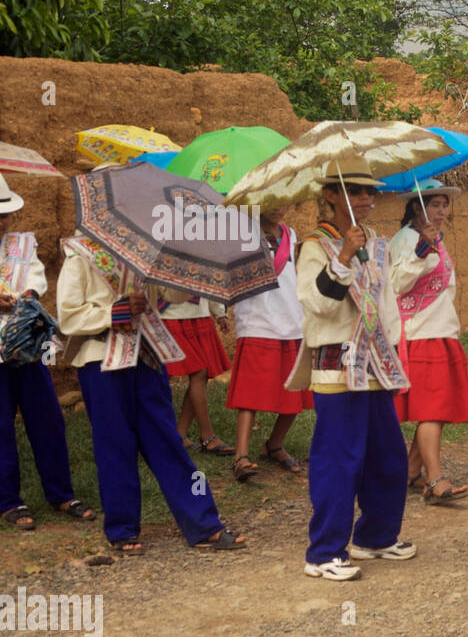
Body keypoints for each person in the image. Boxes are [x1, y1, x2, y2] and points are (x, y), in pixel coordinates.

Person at [56, 235, 245, 554]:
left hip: (145, 356)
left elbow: (172, 295)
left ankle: (205, 522)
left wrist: (185, 262)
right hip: (101, 360)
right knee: (115, 445)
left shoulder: (144, 252)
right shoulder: (81, 255)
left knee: (168, 441)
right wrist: (116, 312)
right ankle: (122, 528)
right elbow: (68, 315)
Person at [290, 156, 415, 581]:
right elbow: (317, 304)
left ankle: (375, 537)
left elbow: (386, 300)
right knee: (339, 459)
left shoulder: (377, 242)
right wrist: (342, 255)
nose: (365, 198)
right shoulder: (314, 246)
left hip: (375, 365)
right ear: (331, 194)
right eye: (357, 190)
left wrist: (393, 347)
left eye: (371, 191)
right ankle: (323, 552)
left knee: (387, 456)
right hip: (338, 367)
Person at [0, 176, 95, 531]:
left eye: (6, 214)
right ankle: (9, 501)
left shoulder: (22, 247)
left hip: (27, 347)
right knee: (0, 426)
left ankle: (61, 493)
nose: (2, 222)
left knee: (47, 419)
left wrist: (26, 294)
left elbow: (37, 279)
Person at [389, 179, 468, 505]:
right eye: (433, 204)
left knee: (435, 409)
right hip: (420, 335)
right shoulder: (407, 239)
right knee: (432, 411)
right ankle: (436, 480)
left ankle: (411, 471)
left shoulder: (435, 240)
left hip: (440, 331)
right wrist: (421, 250)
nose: (440, 210)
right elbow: (396, 284)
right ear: (415, 207)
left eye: (443, 204)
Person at [225, 207, 312, 483]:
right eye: (273, 201)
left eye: (283, 202)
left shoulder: (290, 234)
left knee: (294, 388)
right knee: (251, 391)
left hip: (291, 318)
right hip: (257, 318)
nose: (279, 208)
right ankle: (241, 455)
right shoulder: (243, 231)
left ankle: (274, 444)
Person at [161, 294, 234, 455]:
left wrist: (219, 312)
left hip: (198, 315)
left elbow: (210, 278)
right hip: (169, 315)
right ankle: (206, 437)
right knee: (169, 375)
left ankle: (180, 435)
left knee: (201, 374)